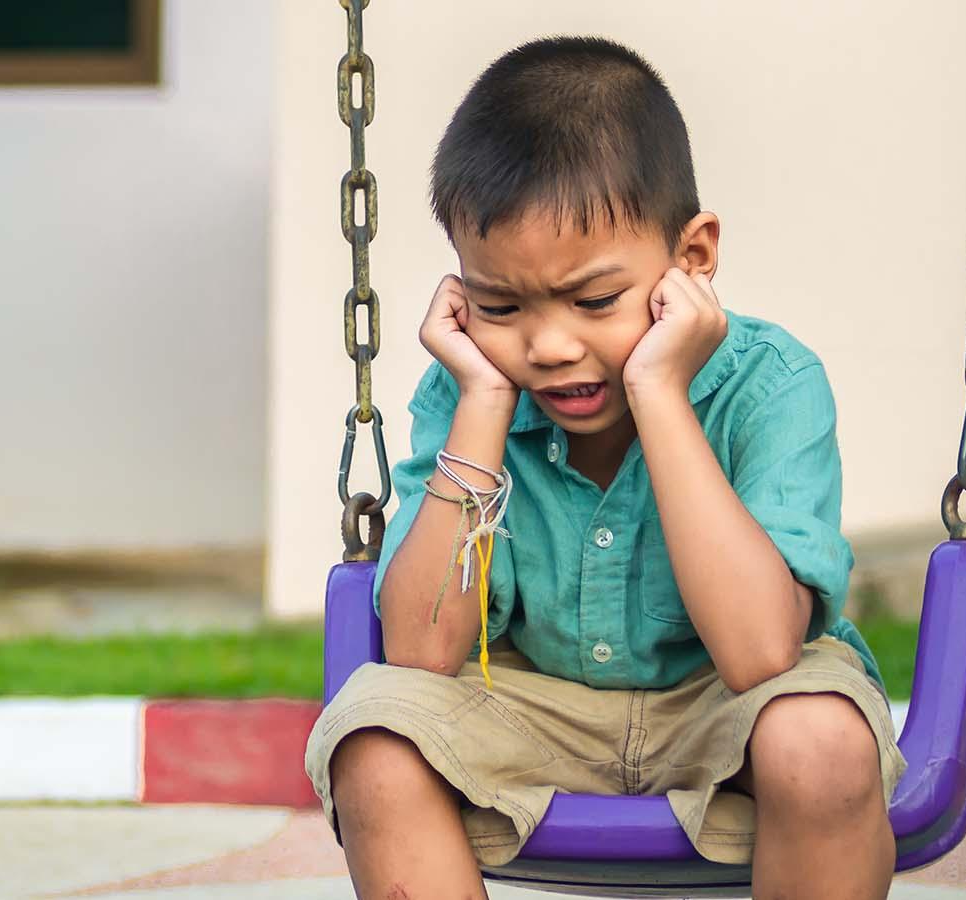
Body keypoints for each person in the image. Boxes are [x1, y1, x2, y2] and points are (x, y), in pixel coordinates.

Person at [304, 36, 905, 900]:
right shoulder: (469, 387)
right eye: (500, 305)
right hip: (535, 706)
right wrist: (480, 399)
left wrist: (659, 387)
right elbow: (422, 650)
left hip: (725, 706)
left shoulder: (773, 386)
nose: (549, 346)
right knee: (376, 743)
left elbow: (763, 653)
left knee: (821, 740)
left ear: (691, 259)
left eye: (594, 302)